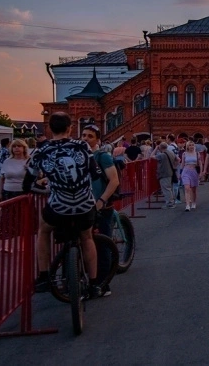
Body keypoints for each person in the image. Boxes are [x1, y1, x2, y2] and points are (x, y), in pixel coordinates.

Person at [25, 112, 103, 298]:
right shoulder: (82, 145)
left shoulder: (41, 150)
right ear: (70, 128)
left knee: (43, 230)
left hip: (58, 207)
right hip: (84, 205)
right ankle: (93, 284)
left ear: (49, 129)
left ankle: (43, 276)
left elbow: (28, 183)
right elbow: (96, 174)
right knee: (86, 238)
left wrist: (47, 186)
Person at [81, 125, 119, 297]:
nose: (86, 138)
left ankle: (103, 283)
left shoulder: (102, 157)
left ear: (97, 139)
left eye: (90, 136)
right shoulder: (79, 156)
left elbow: (114, 181)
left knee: (102, 244)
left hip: (101, 207)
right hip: (82, 207)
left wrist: (102, 200)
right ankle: (80, 282)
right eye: (83, 135)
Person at [154, 143, 177, 209]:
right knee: (169, 188)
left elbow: (151, 156)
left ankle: (169, 203)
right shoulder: (171, 153)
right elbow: (178, 159)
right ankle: (171, 202)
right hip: (170, 172)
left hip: (164, 173)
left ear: (160, 148)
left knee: (166, 189)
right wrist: (174, 166)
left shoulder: (162, 155)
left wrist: (155, 148)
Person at [180, 141, 200, 211]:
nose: (191, 146)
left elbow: (200, 163)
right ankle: (187, 205)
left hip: (194, 171)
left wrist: (201, 173)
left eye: (192, 145)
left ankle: (194, 202)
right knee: (187, 188)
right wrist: (180, 173)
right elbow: (182, 164)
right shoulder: (184, 154)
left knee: (194, 189)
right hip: (186, 171)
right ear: (187, 146)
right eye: (190, 145)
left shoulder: (197, 154)